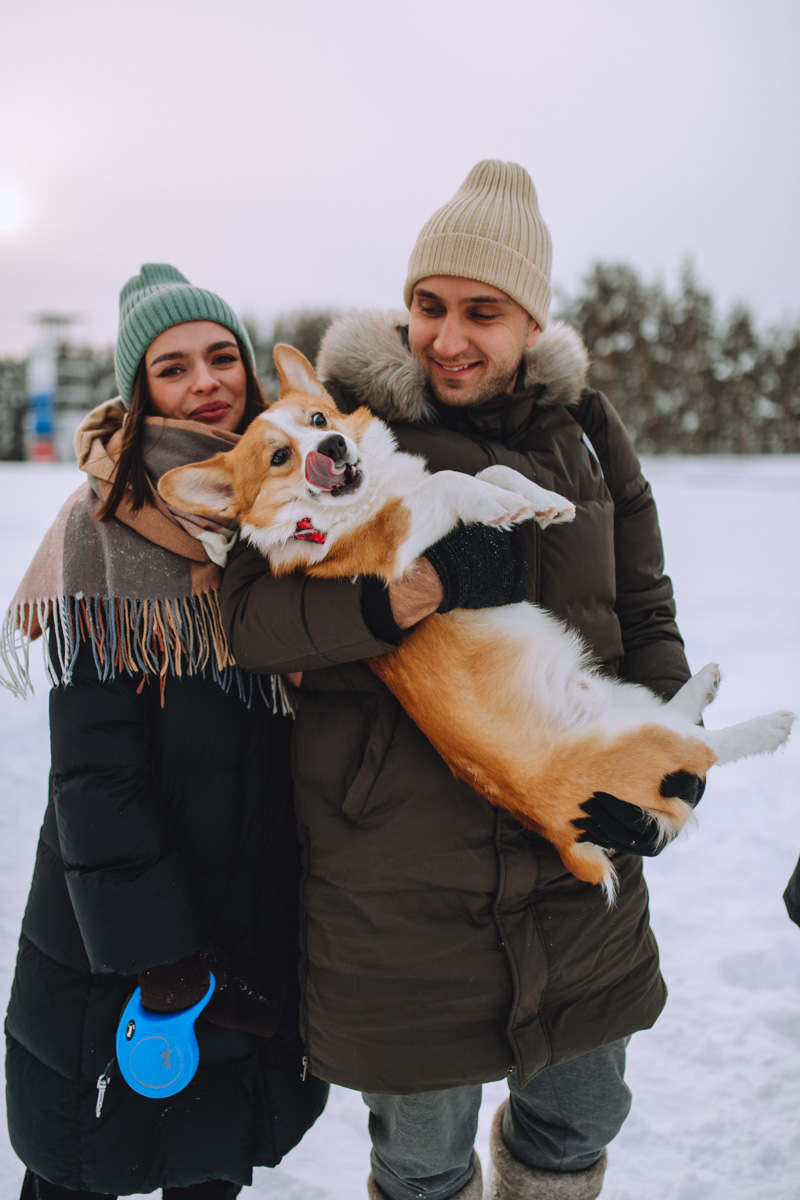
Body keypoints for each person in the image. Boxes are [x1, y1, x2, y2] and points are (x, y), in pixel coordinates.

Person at [220, 162, 695, 1200]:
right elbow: (245, 616)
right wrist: (380, 605)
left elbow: (643, 611)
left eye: (481, 312)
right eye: (428, 307)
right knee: (423, 1162)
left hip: (569, 854)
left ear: (530, 320)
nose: (447, 336)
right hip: (396, 881)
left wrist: (663, 752)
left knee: (577, 1119)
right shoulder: (337, 429)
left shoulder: (583, 433)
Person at [1, 264, 327, 1199]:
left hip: (257, 907)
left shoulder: (297, 520)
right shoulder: (104, 528)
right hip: (133, 938)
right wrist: (163, 952)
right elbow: (95, 772)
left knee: (206, 1160)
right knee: (86, 1159)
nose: (207, 382)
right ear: (139, 391)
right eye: (173, 368)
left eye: (222, 357)